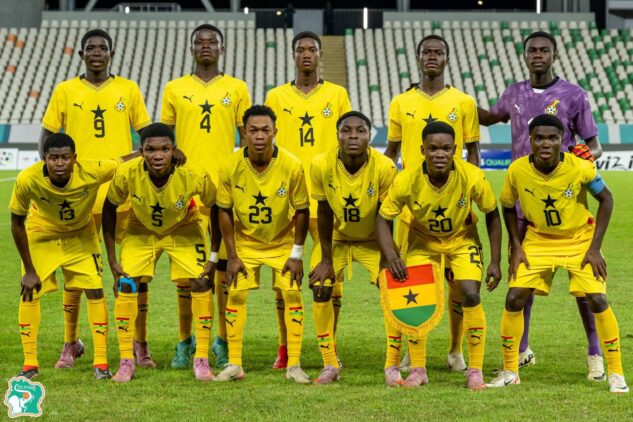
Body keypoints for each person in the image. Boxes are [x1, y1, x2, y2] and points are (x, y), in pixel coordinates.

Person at [478, 31, 605, 380]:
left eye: (544, 50)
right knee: (522, 277)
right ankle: (521, 351)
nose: (537, 55)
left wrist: (584, 155)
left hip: (565, 204)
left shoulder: (573, 95)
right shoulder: (513, 93)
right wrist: (452, 102)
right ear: (524, 56)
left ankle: (595, 353)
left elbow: (594, 146)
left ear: (554, 55)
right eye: (531, 50)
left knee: (584, 287)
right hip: (523, 202)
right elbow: (489, 117)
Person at [487, 114, 628, 394]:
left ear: (561, 140)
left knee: (597, 299)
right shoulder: (517, 170)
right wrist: (516, 246)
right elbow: (507, 206)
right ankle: (510, 371)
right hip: (538, 240)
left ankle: (616, 373)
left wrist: (595, 248)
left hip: (579, 239)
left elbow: (607, 199)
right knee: (514, 297)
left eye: (552, 138)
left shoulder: (580, 167)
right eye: (539, 138)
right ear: (530, 140)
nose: (545, 143)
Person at [40, 29, 155, 370]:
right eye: (90, 48)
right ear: (81, 54)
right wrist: (51, 176)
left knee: (134, 272)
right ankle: (70, 342)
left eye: (102, 48)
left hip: (122, 194)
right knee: (77, 273)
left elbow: (147, 134)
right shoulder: (65, 90)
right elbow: (47, 134)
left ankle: (138, 342)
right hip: (79, 196)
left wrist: (138, 162)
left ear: (111, 53)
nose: (96, 52)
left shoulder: (128, 89)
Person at [376, 121, 501, 390]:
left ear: (455, 149)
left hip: (462, 239)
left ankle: (475, 370)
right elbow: (383, 217)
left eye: (446, 148)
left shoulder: (472, 176)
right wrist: (391, 256)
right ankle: (419, 369)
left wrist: (495, 260)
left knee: (470, 293)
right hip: (423, 243)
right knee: (414, 298)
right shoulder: (406, 180)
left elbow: (492, 213)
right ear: (423, 150)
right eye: (433, 148)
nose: (439, 154)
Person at [385, 34, 481, 372]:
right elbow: (391, 153)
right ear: (418, 57)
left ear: (447, 59)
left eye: (438, 52)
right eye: (427, 52)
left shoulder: (463, 102)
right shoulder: (400, 102)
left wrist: (470, 198)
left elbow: (473, 153)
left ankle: (455, 349)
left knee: (459, 284)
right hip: (411, 210)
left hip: (454, 208)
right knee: (412, 282)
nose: (432, 56)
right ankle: (413, 346)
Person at [160, 23, 251, 370]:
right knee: (189, 275)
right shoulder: (174, 88)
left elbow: (247, 139)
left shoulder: (237, 88)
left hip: (225, 192)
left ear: (222, 49)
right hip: (186, 191)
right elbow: (165, 139)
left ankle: (223, 341)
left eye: (213, 41)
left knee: (225, 271)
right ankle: (185, 342)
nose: (206, 46)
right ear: (191, 49)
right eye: (200, 41)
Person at [9, 133, 134, 380]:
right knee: (29, 291)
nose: (59, 163)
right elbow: (16, 223)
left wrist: (162, 151)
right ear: (44, 158)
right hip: (43, 233)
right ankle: (30, 364)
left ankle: (100, 363)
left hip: (81, 234)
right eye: (53, 158)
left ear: (74, 158)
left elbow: (123, 160)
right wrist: (30, 270)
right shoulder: (27, 179)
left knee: (95, 291)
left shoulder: (92, 171)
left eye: (65, 157)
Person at [102, 123, 218, 382]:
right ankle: (127, 359)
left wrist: (213, 256)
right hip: (140, 229)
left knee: (201, 281)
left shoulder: (193, 173)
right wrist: (112, 258)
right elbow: (109, 207)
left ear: (174, 150)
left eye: (164, 149)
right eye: (150, 149)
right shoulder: (127, 173)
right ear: (140, 151)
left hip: (185, 226)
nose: (158, 155)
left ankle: (201, 359)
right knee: (127, 283)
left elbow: (217, 206)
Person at [265, 31, 351, 369]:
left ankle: (331, 345)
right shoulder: (275, 96)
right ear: (292, 55)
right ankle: (285, 347)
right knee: (283, 279)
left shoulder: (337, 94)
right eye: (300, 49)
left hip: (327, 196)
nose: (306, 54)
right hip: (286, 198)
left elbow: (348, 138)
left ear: (319, 55)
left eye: (311, 49)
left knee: (333, 274)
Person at [213, 105, 311, 384]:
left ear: (274, 132)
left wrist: (297, 254)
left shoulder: (292, 165)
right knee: (235, 295)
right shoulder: (230, 165)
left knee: (292, 295)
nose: (259, 136)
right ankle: (235, 364)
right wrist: (232, 255)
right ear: (243, 133)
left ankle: (294, 365)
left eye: (265, 130)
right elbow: (223, 210)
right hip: (246, 242)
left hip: (282, 243)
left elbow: (302, 210)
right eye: (253, 130)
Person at [308, 111, 397, 384]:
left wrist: (387, 257)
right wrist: (325, 259)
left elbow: (387, 215)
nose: (353, 136)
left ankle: (392, 365)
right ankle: (329, 362)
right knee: (320, 284)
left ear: (370, 136)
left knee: (393, 287)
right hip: (337, 239)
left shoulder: (385, 167)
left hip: (373, 240)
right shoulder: (321, 164)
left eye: (360, 131)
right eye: (346, 131)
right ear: (337, 135)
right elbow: (323, 212)